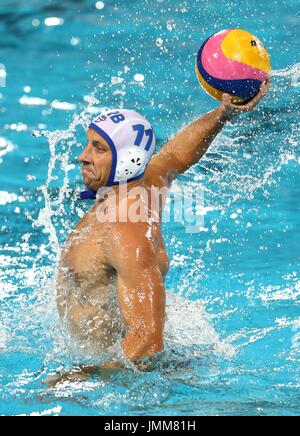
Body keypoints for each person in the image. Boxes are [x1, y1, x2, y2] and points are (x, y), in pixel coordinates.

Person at [46, 82, 269, 386]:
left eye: (98, 149)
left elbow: (147, 343)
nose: (82, 157)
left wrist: (81, 378)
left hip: (131, 385)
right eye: (88, 144)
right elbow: (175, 155)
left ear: (127, 161)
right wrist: (222, 113)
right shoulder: (145, 181)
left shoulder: (125, 232)